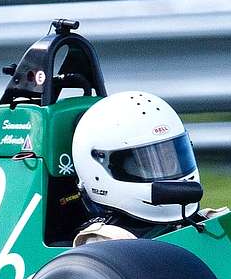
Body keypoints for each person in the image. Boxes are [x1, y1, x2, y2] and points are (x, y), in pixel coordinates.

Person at [70, 91, 208, 245]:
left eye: (170, 157)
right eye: (146, 163)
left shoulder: (207, 222)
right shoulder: (105, 242)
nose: (167, 171)